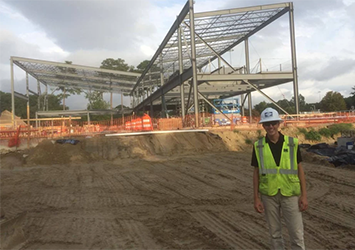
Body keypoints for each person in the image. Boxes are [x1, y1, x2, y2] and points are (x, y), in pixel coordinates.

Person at [251, 107, 308, 250]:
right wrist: (256, 198)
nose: (271, 127)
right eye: (267, 124)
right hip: (269, 195)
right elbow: (256, 173)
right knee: (275, 233)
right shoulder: (258, 146)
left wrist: (304, 195)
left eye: (273, 123)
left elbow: (300, 169)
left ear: (278, 124)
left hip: (290, 194)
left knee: (296, 233)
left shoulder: (292, 143)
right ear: (263, 126)